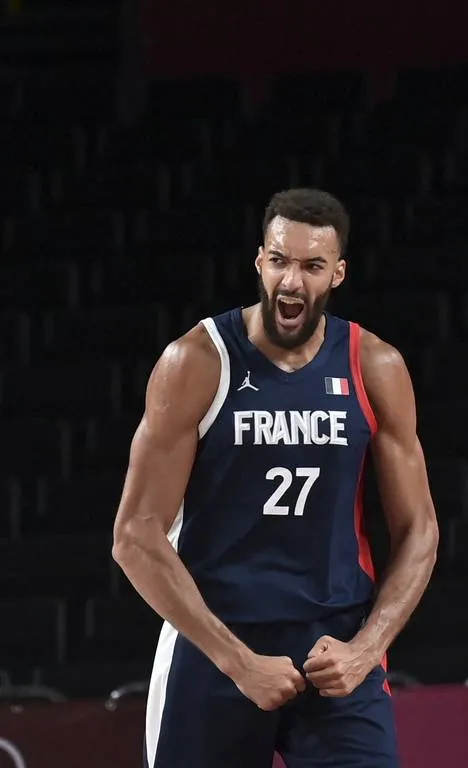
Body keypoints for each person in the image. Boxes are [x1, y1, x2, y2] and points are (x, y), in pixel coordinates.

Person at [112, 188, 440, 768]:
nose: (292, 281)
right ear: (260, 262)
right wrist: (238, 661)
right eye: (280, 260)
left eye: (312, 266)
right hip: (215, 642)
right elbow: (135, 534)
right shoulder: (197, 361)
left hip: (333, 643)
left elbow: (419, 530)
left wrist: (366, 650)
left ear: (337, 274)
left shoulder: (374, 364)